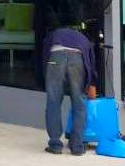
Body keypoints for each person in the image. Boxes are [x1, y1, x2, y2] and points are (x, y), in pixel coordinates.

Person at [40, 20, 96, 155]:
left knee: (53, 102)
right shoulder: (83, 38)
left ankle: (55, 145)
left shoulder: (54, 34)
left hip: (55, 58)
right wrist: (91, 83)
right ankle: (77, 147)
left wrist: (44, 76)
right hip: (77, 59)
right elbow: (91, 64)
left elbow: (44, 55)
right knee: (79, 104)